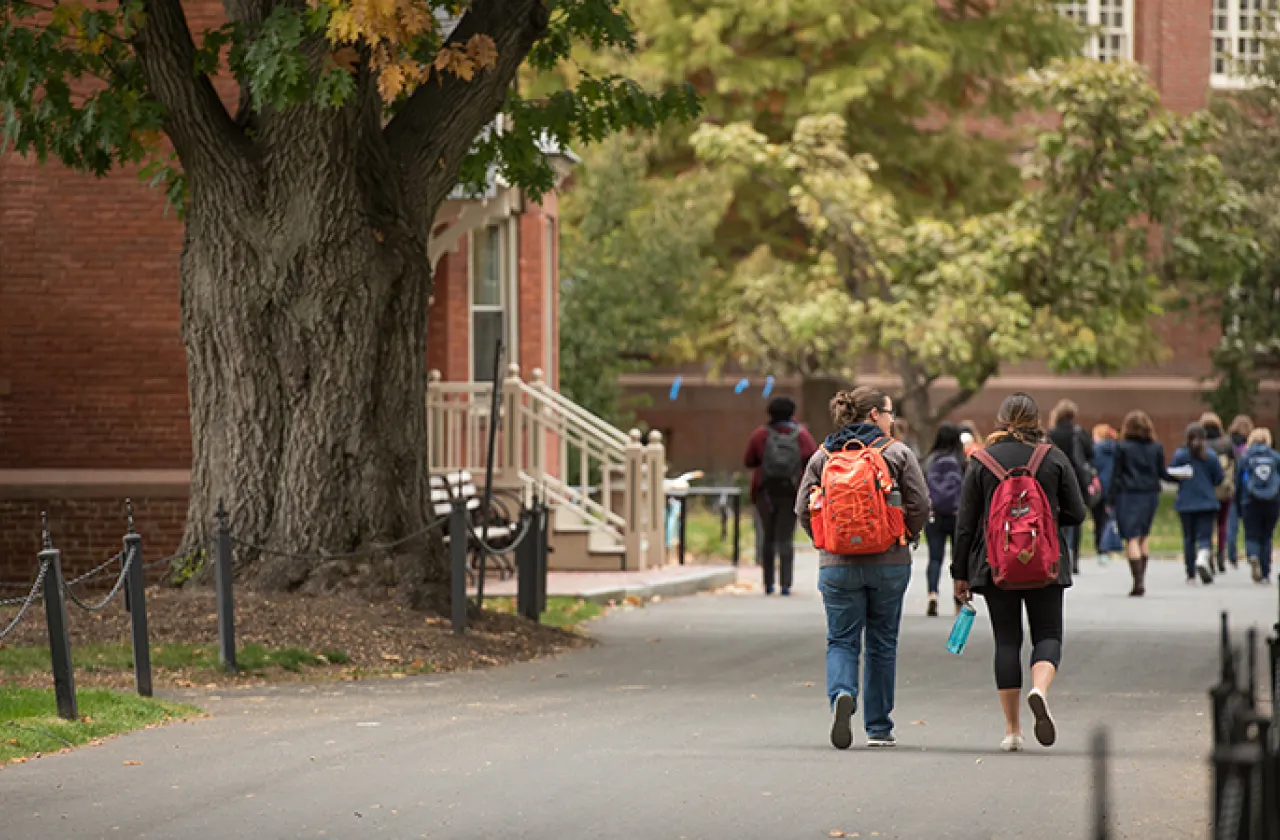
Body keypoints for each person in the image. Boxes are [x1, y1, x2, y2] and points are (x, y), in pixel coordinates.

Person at [952, 393, 1087, 752]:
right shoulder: (1052, 457)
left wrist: (959, 572)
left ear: (1000, 419)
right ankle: (1039, 689)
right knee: (1047, 634)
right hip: (1046, 562)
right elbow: (1078, 512)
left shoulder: (981, 461)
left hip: (996, 565)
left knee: (1007, 641)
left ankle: (1013, 731)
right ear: (1035, 419)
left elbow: (965, 524)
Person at [796, 386, 930, 750]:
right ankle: (879, 727)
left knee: (841, 639)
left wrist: (826, 540)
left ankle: (842, 693)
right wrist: (906, 534)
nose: (892, 419)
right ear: (874, 415)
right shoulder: (897, 452)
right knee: (882, 642)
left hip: (837, 565)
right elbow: (919, 504)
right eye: (889, 413)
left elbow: (802, 510)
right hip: (890, 563)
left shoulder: (822, 456)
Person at [744, 396, 818, 596]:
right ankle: (786, 584)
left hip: (765, 493)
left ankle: (768, 583)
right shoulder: (801, 435)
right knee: (786, 538)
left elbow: (749, 460)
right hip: (792, 493)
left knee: (768, 537)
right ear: (792, 413)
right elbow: (813, 460)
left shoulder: (760, 435)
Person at [1108, 410, 1172, 597]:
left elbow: (1116, 475)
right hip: (1150, 495)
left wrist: (1110, 499)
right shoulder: (1156, 447)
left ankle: (1137, 581)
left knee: (1132, 538)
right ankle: (1141, 578)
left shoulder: (1122, 447)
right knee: (1144, 535)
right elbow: (1162, 473)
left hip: (1128, 495)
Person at [1169, 423, 1224, 584]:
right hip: (1207, 502)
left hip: (1186, 502)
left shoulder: (1180, 455)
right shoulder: (1211, 456)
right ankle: (1202, 558)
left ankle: (1191, 574)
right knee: (1205, 536)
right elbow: (1218, 478)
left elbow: (1172, 474)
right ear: (1204, 438)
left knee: (1188, 538)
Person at [922, 423, 967, 617]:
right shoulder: (963, 461)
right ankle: (959, 602)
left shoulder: (929, 460)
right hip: (958, 516)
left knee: (934, 558)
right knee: (958, 560)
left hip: (934, 515)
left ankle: (933, 594)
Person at [1047, 399, 1094, 575]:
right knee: (1076, 517)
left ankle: (1061, 554)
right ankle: (1075, 559)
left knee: (1058, 519)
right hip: (1077, 480)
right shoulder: (1079, 433)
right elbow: (1090, 454)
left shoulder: (1052, 434)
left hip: (1057, 478)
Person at [1236, 427, 1280, 584]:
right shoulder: (1275, 458)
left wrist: (1238, 505)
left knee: (1252, 534)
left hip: (1250, 501)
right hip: (1272, 501)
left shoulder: (1245, 458)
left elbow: (1239, 483)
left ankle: (1253, 555)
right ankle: (1266, 573)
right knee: (1267, 536)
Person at [1201, 413, 1237, 573]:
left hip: (1205, 491)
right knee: (1222, 523)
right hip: (1224, 489)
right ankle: (1221, 554)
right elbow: (1233, 465)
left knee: (1207, 525)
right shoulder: (1226, 443)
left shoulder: (1200, 445)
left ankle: (1207, 555)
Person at [1226, 415, 1255, 569]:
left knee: (1232, 525)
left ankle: (1232, 557)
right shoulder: (1250, 447)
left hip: (1231, 487)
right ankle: (1252, 554)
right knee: (1249, 526)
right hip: (1248, 489)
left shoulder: (1228, 444)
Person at [1091, 425, 1119, 561]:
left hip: (1099, 487)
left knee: (1098, 518)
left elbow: (1093, 466)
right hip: (1113, 486)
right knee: (1109, 517)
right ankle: (1109, 545)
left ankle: (1100, 547)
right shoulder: (1117, 448)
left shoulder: (1096, 450)